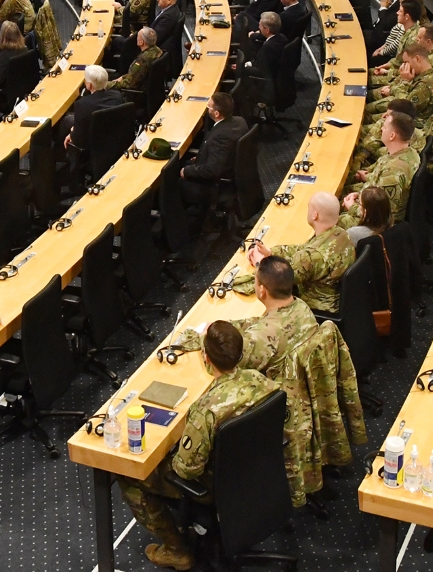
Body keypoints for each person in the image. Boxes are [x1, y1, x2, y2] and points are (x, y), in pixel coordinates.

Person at [115, 320, 279, 571]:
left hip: (216, 486)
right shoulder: (261, 381)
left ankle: (176, 550)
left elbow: (186, 471)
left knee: (130, 474)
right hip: (256, 470)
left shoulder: (206, 410)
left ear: (205, 358)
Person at [244, 192, 354, 313]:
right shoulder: (341, 234)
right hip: (338, 301)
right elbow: (303, 248)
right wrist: (271, 252)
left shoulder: (310, 257)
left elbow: (278, 281)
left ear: (315, 215)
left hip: (316, 309)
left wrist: (261, 263)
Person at [341, 112, 419, 233]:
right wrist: (361, 195)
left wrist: (353, 207)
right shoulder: (409, 153)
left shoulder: (392, 173)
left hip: (375, 225)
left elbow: (380, 216)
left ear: (392, 135)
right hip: (369, 203)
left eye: (385, 127)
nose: (381, 128)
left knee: (328, 220)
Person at [179, 93, 248, 226]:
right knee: (183, 163)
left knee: (174, 181)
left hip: (218, 184)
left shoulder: (220, 136)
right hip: (232, 171)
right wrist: (201, 156)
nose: (207, 109)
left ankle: (182, 226)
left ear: (216, 113)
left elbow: (212, 170)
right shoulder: (240, 121)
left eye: (209, 107)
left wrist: (186, 171)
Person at [62, 64, 124, 186]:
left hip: (93, 146)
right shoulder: (117, 96)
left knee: (67, 122)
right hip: (115, 141)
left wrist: (72, 132)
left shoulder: (82, 105)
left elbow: (78, 140)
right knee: (69, 121)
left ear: (89, 85)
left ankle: (67, 165)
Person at [108, 26, 163, 91]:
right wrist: (123, 77)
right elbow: (135, 75)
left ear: (141, 42)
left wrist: (107, 85)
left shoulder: (142, 60)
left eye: (137, 37)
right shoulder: (158, 50)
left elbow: (129, 83)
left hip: (135, 92)